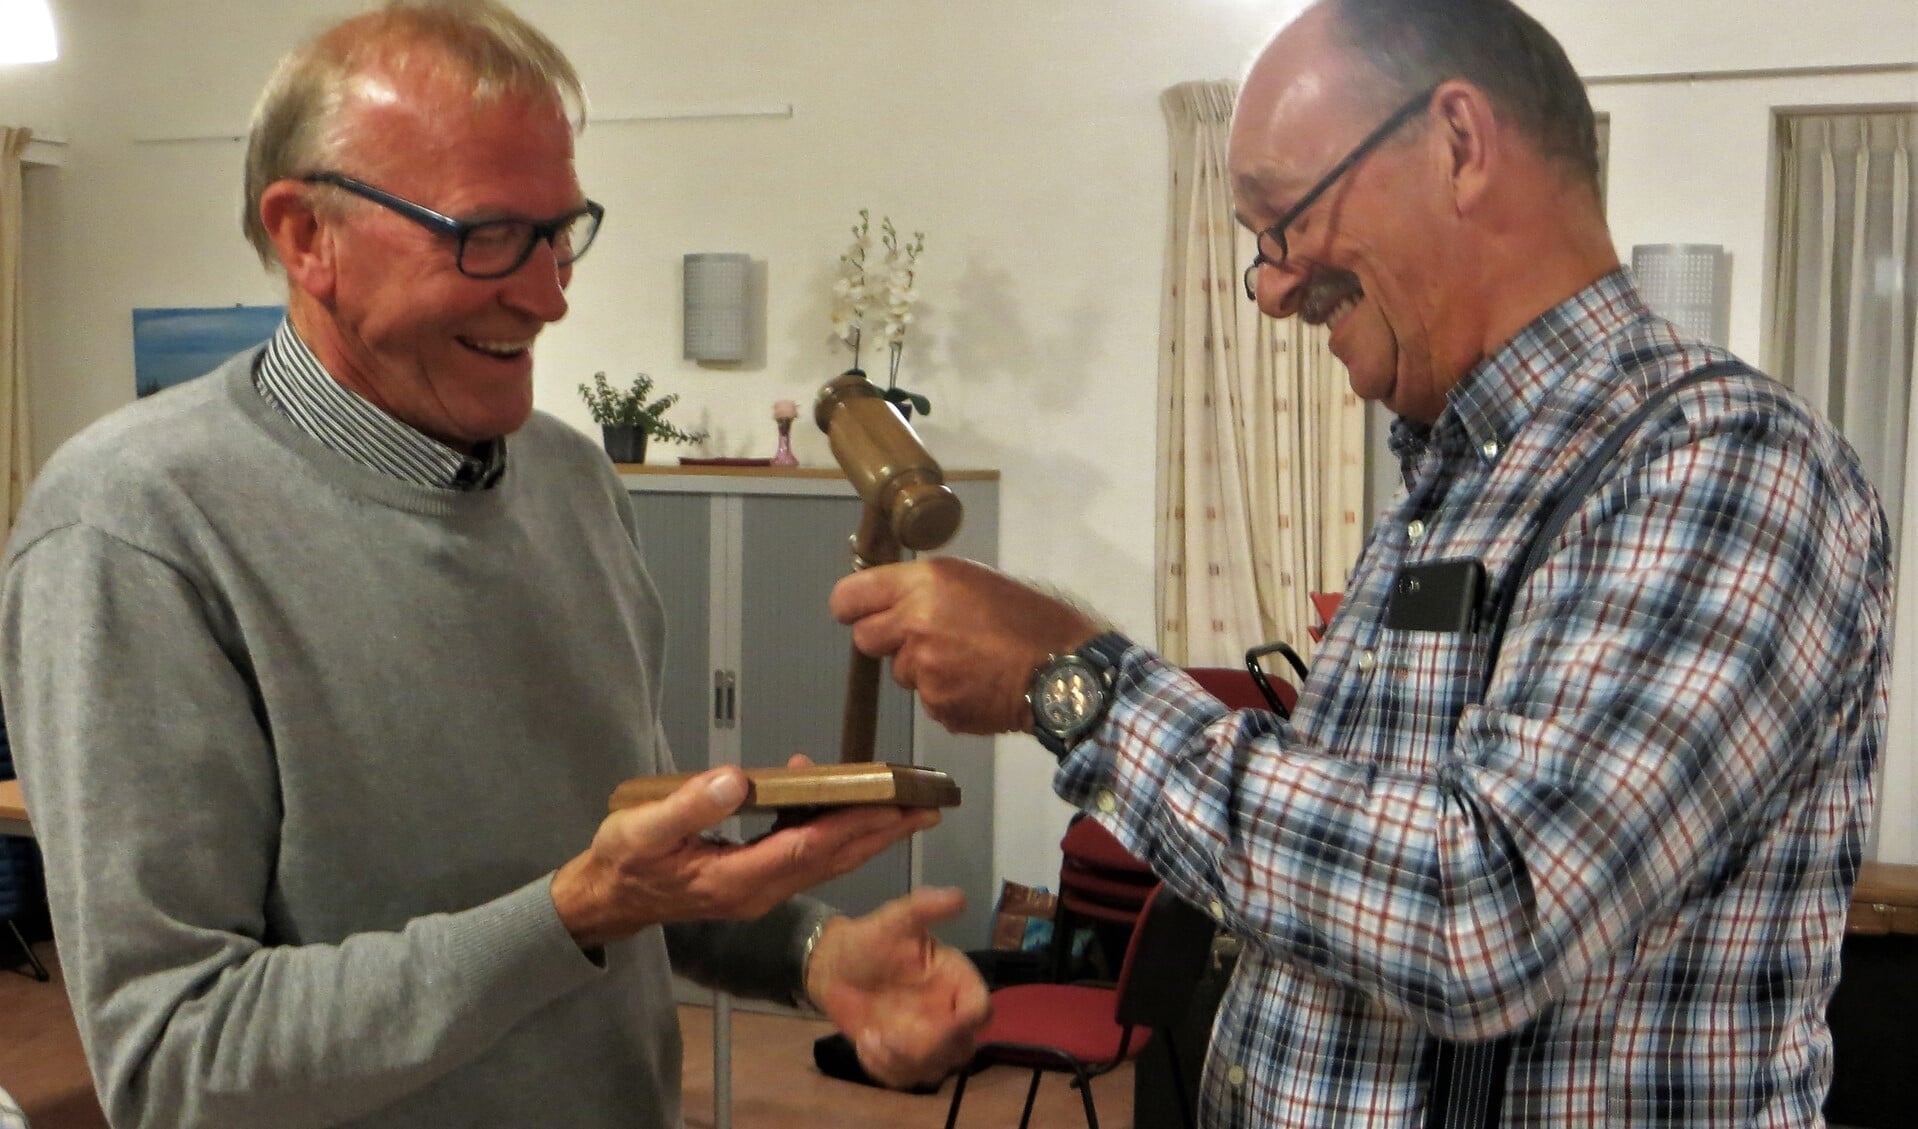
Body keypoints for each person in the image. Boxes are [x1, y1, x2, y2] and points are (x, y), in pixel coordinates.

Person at [831, 0, 1891, 1125]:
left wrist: (1078, 685)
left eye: (1281, 219)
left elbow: (1481, 912)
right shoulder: (1448, 486)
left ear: (1458, 146)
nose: (1273, 287)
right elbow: (1350, 870)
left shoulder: (1726, 461)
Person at [0, 4, 986, 1128]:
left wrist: (813, 954)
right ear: (305, 234)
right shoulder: (134, 530)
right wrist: (569, 913)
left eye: (560, 230)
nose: (549, 292)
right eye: (485, 234)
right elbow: (175, 1057)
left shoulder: (570, 483)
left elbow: (633, 881)